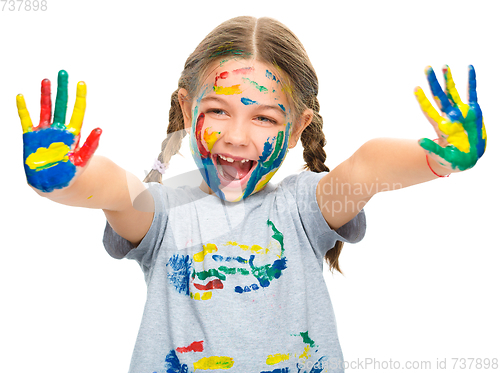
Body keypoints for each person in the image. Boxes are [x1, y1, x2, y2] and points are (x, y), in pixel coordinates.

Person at [16, 16, 486, 373]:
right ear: (186, 107)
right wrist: (66, 177)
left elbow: (367, 167)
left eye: (264, 118)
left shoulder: (304, 208)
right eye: (218, 110)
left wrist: (438, 157)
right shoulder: (164, 212)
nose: (237, 137)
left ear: (299, 126)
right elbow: (115, 191)